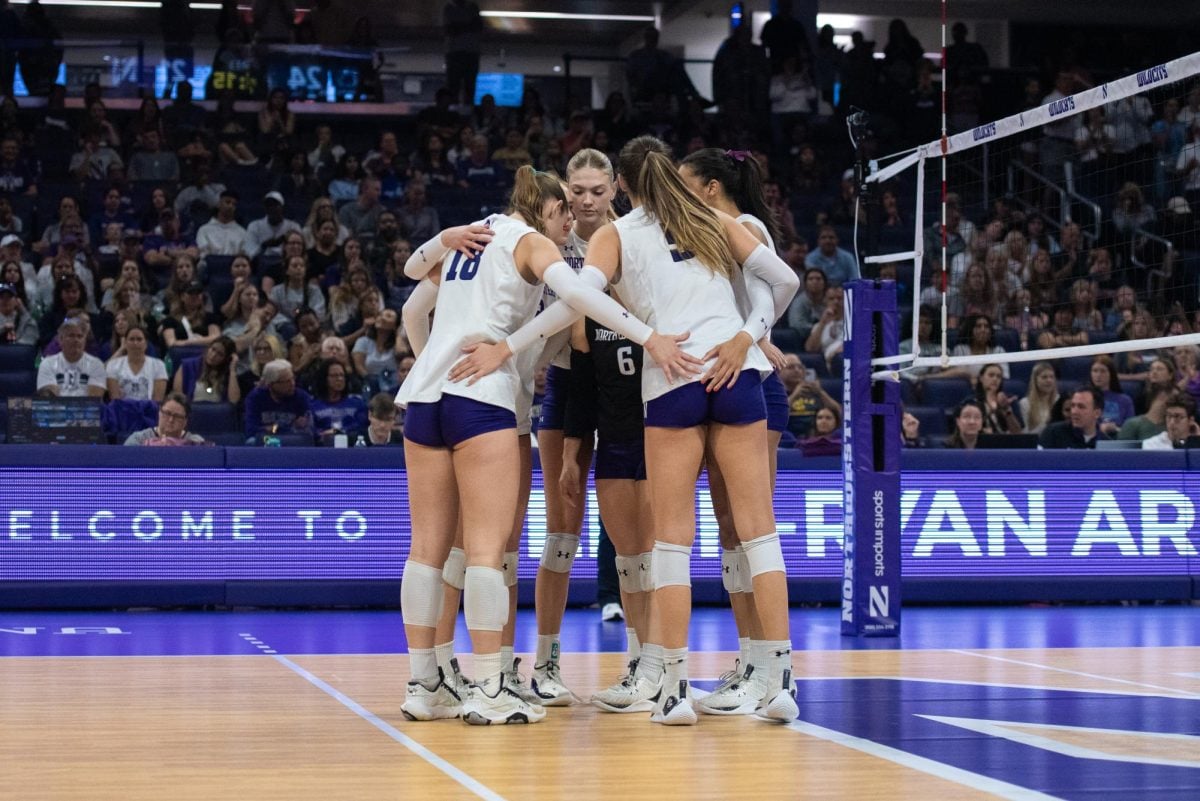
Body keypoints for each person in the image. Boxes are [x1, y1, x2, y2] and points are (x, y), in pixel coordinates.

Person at [454, 137, 801, 725]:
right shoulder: (712, 216)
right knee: (758, 533)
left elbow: (578, 298)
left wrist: (512, 346)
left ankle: (672, 690)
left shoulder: (616, 235)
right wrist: (746, 336)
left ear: (623, 187)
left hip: (672, 377)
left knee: (670, 542)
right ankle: (780, 681)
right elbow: (785, 280)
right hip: (736, 369)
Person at [244, 358, 313, 441]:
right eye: (286, 381)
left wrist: (270, 429)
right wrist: (286, 428)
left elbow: (310, 431)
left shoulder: (301, 397)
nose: (292, 384)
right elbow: (251, 430)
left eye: (292, 378)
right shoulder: (256, 397)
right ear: (270, 384)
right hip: (265, 442)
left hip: (291, 442)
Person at [36, 318, 106, 397]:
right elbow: (51, 400)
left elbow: (93, 401)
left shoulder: (96, 364)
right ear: (60, 340)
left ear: (85, 341)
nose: (76, 340)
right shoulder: (47, 363)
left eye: (80, 336)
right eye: (71, 335)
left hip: (86, 409)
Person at [105, 325, 168, 402]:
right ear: (125, 343)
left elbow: (157, 400)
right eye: (131, 339)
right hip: (121, 411)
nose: (135, 343)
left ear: (146, 344)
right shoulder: (113, 365)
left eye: (139, 339)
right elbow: (115, 399)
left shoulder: (159, 365)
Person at [310, 358, 367, 441]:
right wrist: (323, 433)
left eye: (342, 375)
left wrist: (338, 432)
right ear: (325, 379)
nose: (340, 379)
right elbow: (311, 430)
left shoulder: (357, 403)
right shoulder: (313, 406)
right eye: (334, 376)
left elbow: (361, 425)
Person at [173, 335, 241, 404]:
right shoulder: (187, 366)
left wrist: (232, 370)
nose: (213, 355)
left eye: (220, 354)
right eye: (213, 349)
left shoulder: (228, 374)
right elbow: (178, 399)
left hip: (217, 413)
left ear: (226, 359)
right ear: (208, 348)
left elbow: (234, 400)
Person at [124, 393, 207, 446]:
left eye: (177, 416)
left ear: (185, 421)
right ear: (159, 412)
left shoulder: (195, 442)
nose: (171, 420)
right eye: (167, 413)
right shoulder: (138, 439)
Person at [1039, 386, 1108, 449]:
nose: (1074, 412)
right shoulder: (1053, 433)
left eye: (1081, 407)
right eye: (1073, 405)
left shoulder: (1106, 444)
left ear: (1097, 413)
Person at [443, 0, 482, 109]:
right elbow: (450, 30)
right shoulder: (449, 8)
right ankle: (455, 109)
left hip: (463, 52)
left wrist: (459, 27)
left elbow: (477, 26)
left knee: (467, 86)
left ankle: (464, 109)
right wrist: (468, 26)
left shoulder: (472, 7)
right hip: (459, 52)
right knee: (456, 85)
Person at [1019, 361, 1060, 435]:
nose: (1049, 380)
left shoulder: (1059, 400)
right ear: (1035, 380)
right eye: (1044, 377)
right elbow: (1024, 434)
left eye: (1052, 377)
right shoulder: (1025, 403)